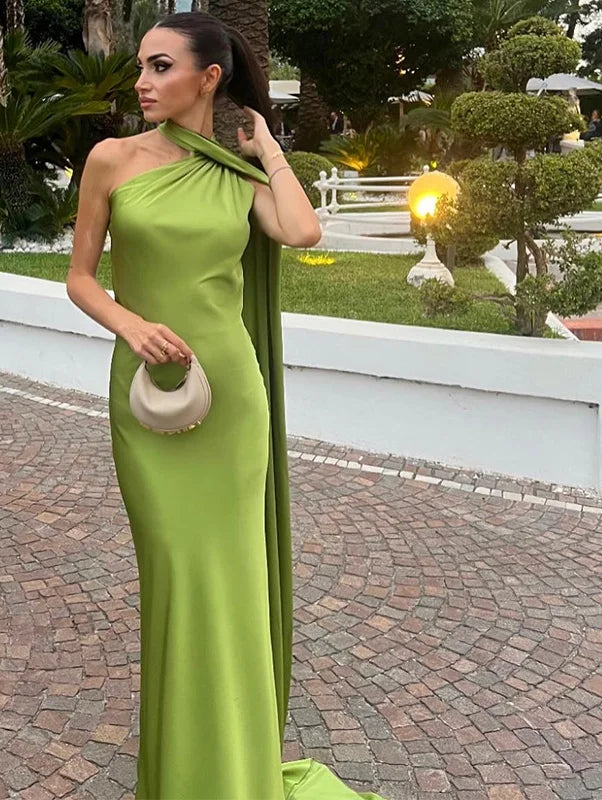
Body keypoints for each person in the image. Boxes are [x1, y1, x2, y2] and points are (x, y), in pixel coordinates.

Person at [65, 10, 386, 800]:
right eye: (142, 65)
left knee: (234, 582)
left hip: (233, 402)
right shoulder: (110, 160)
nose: (142, 82)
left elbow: (303, 231)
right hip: (148, 399)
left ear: (209, 77)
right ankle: (184, 774)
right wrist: (131, 324)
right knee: (176, 576)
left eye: (161, 66)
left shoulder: (238, 173)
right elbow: (79, 278)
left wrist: (267, 148)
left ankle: (235, 775)